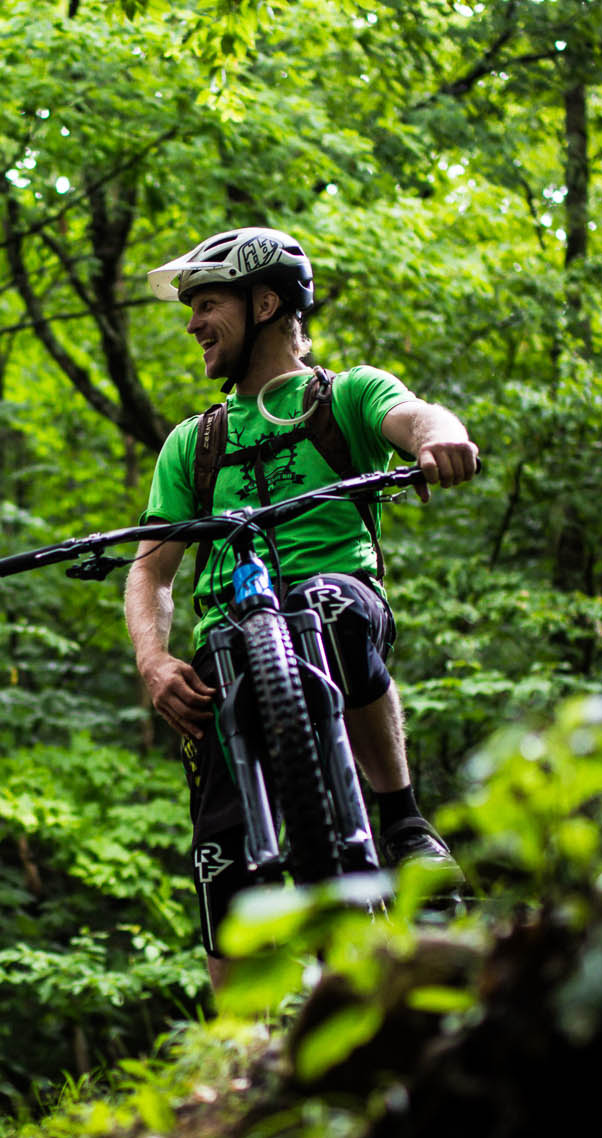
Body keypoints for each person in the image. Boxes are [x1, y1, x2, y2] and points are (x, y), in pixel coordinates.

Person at [124, 226, 479, 985]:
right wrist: (154, 660)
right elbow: (152, 569)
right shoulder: (194, 442)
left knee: (327, 609)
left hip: (337, 592)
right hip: (231, 636)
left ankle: (403, 817)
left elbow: (417, 418)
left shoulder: (343, 393)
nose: (192, 323)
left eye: (207, 303)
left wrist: (442, 439)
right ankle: (239, 1063)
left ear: (264, 302)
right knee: (219, 860)